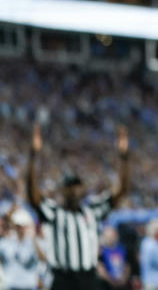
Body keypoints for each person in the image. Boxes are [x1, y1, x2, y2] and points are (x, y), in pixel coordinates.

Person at [25, 124, 129, 290]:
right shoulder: (54, 212)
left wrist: (124, 158)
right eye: (69, 188)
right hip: (62, 278)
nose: (73, 191)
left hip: (87, 278)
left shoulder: (93, 210)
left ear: (83, 190)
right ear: (62, 191)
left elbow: (121, 191)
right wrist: (32, 157)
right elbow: (33, 195)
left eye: (77, 187)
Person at [0, 208, 45, 290]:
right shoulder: (6, 242)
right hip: (11, 285)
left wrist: (33, 240)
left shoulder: (34, 242)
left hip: (28, 285)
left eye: (22, 226)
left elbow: (43, 259)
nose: (20, 229)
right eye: (18, 226)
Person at [96, 226, 129, 290]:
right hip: (107, 285)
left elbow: (126, 265)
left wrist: (124, 278)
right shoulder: (101, 251)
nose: (111, 238)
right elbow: (100, 268)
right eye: (108, 237)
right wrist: (111, 281)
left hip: (121, 284)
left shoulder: (122, 249)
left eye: (112, 236)